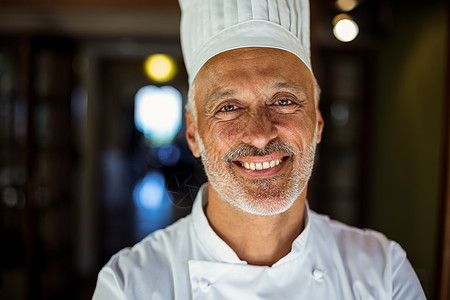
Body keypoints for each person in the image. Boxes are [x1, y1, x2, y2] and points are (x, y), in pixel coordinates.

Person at [93, 0, 426, 299]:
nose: (260, 135)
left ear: (318, 122)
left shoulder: (383, 274)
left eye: (284, 101)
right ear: (193, 134)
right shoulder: (130, 285)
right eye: (228, 107)